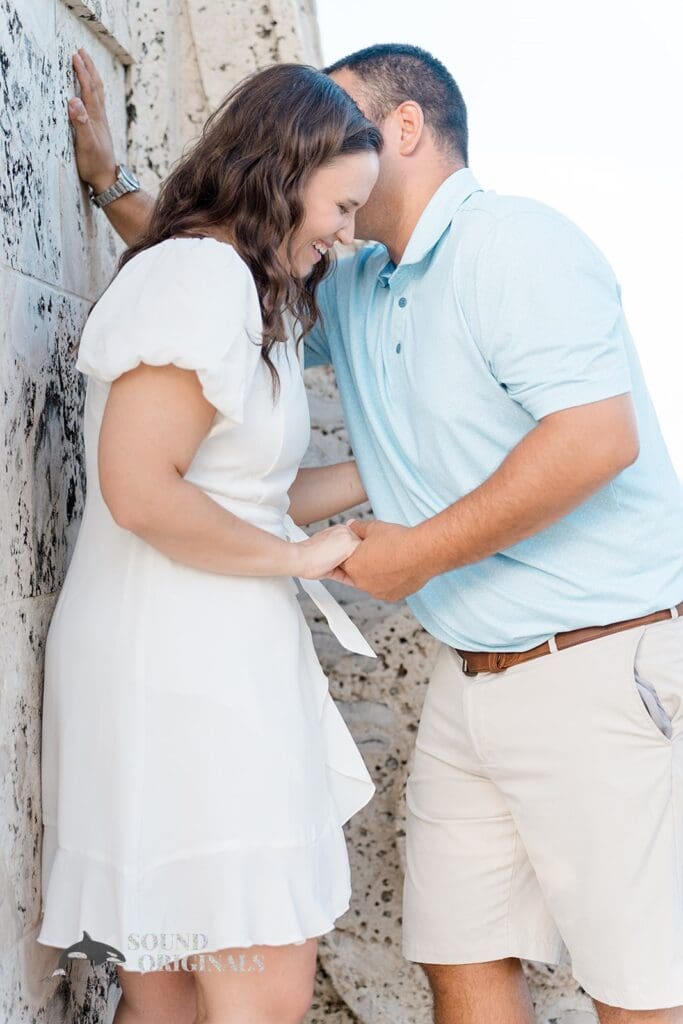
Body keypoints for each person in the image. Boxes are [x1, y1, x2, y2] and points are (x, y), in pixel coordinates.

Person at [66, 42, 683, 1024]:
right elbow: (214, 264)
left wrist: (415, 552)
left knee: (636, 984)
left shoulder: (513, 244)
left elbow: (595, 438)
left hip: (592, 663)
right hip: (465, 673)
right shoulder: (353, 282)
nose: (336, 154)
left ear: (401, 128)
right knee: (463, 959)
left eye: (346, 120)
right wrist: (110, 182)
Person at [37, 60, 383, 1024]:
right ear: (282, 175)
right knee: (250, 992)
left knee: (185, 995)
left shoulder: (235, 286)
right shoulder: (198, 278)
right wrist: (297, 560)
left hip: (206, 665)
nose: (349, 237)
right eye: (343, 207)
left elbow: (252, 489)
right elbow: (141, 491)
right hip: (184, 677)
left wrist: (391, 475)